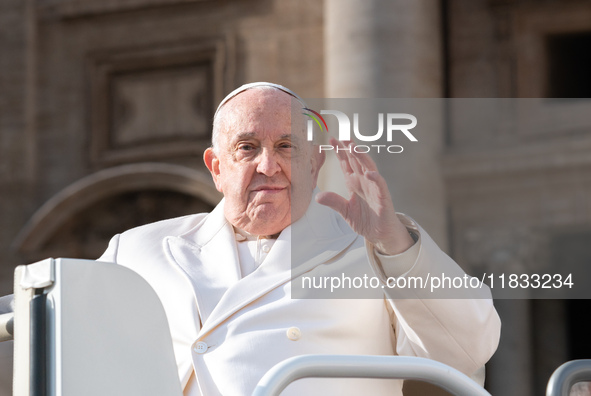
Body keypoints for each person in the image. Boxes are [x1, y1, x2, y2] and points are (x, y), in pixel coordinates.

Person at [98, 82, 501, 396]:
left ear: (314, 164)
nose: (268, 166)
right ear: (217, 167)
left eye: (287, 147)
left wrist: (394, 242)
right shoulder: (135, 250)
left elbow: (466, 350)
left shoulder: (371, 249)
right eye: (247, 147)